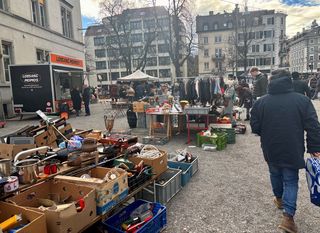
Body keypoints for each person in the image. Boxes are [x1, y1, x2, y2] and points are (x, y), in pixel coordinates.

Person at [250, 69, 320, 233]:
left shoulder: (261, 102)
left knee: (274, 173)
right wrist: (315, 147)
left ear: (271, 81)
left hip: (270, 146)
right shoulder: (302, 101)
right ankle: (288, 217)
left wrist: (266, 131)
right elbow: (313, 127)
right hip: (292, 146)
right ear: (288, 81)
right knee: (290, 180)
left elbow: (255, 127)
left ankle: (280, 200)